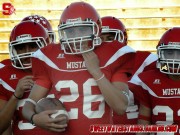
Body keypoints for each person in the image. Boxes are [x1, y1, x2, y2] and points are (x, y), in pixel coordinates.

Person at [22, 2, 136, 135]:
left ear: (97, 28)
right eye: (71, 31)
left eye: (83, 29)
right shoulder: (49, 56)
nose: (77, 36)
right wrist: (34, 119)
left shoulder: (113, 53)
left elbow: (120, 107)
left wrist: (96, 72)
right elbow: (28, 105)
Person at [100, 16, 158, 133]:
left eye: (110, 38)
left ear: (124, 38)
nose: (106, 43)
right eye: (101, 39)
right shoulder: (86, 64)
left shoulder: (145, 61)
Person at [0, 21, 50, 134]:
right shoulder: (5, 74)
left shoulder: (57, 68)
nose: (27, 52)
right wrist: (16, 95)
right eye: (21, 47)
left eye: (32, 46)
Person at [129, 27, 180, 135]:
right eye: (170, 53)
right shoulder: (149, 81)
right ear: (160, 54)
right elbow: (143, 125)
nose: (175, 59)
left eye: (179, 53)